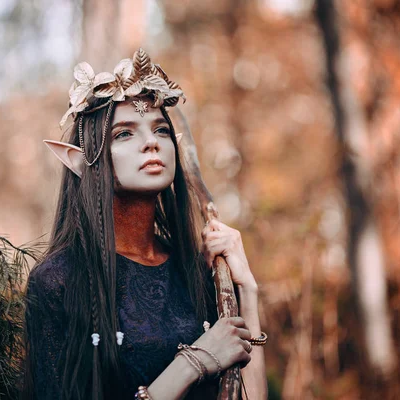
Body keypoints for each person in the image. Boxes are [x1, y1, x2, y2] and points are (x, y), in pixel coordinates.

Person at [23, 48, 267, 400]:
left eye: (161, 130)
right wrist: (194, 362)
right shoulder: (59, 280)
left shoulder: (197, 271)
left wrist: (247, 291)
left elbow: (249, 396)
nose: (151, 142)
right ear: (83, 161)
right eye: (124, 133)